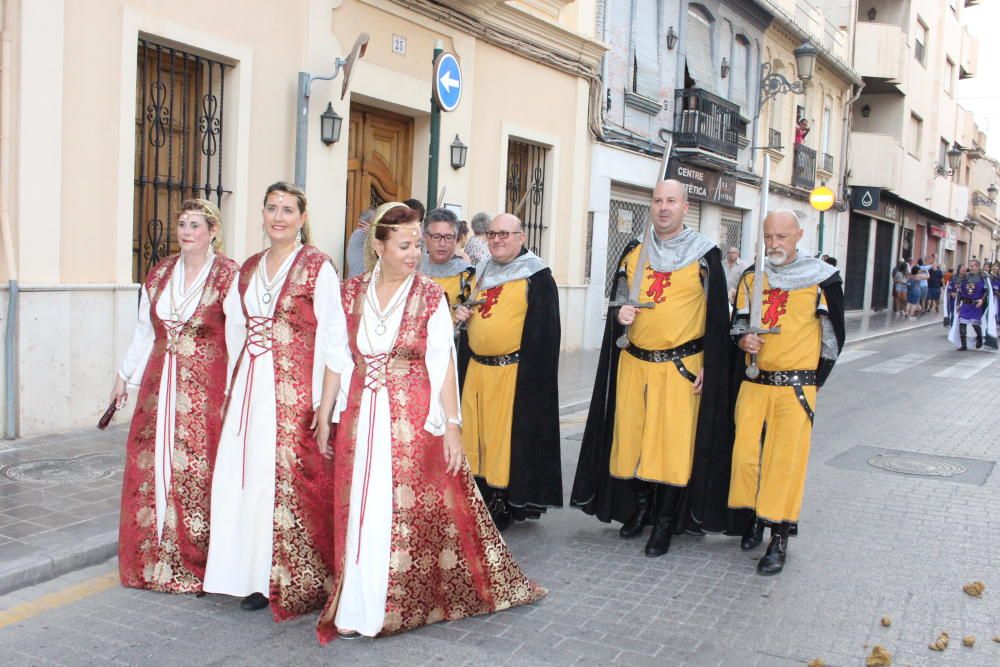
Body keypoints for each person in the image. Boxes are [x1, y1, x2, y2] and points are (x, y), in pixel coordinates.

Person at [314, 203, 544, 642]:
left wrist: (452, 427)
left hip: (410, 420)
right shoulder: (350, 293)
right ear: (378, 246)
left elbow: (442, 364)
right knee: (360, 508)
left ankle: (393, 601)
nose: (413, 253)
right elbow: (336, 358)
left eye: (417, 244)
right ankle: (357, 600)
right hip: (362, 417)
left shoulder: (428, 296)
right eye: (404, 245)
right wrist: (326, 413)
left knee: (391, 508)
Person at [203, 182, 351, 618]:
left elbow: (333, 340)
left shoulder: (317, 267)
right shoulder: (247, 269)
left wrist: (326, 409)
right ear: (262, 214)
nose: (279, 217)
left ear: (302, 219)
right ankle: (242, 574)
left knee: (275, 481)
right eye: (271, 208)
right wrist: (232, 386)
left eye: (288, 210)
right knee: (241, 476)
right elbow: (233, 327)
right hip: (250, 388)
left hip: (291, 393)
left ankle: (280, 576)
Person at [570, 179, 733, 558]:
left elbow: (717, 319)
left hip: (679, 368)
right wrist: (621, 313)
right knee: (630, 441)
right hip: (635, 365)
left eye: (671, 201)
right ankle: (640, 508)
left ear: (685, 206)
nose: (663, 207)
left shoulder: (705, 256)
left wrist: (711, 364)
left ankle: (664, 522)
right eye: (658, 200)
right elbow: (620, 303)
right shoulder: (634, 251)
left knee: (672, 449)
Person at [115, 199, 239, 593]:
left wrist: (236, 388)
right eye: (182, 224)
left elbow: (238, 335)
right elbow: (144, 332)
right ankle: (153, 557)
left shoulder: (228, 277)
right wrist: (123, 377)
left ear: (212, 232)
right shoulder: (159, 274)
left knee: (197, 470)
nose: (186, 232)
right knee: (155, 465)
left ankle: (197, 560)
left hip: (205, 390)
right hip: (159, 384)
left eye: (195, 225)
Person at [729, 209, 845, 575]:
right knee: (746, 458)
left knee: (784, 465)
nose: (775, 244)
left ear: (798, 235)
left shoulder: (821, 279)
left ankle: (778, 538)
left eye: (782, 236)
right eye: (769, 237)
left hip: (795, 388)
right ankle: (754, 517)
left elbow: (832, 339)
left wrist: (812, 382)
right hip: (754, 384)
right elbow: (737, 323)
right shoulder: (753, 277)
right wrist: (743, 339)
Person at [454, 214, 562, 530]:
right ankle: (482, 495)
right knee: (476, 437)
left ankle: (503, 501)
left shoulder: (537, 277)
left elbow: (545, 334)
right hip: (477, 369)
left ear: (521, 237)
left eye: (505, 234)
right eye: (492, 234)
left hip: (512, 373)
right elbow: (470, 310)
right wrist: (460, 313)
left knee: (504, 440)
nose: (498, 239)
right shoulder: (482, 271)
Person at [420, 208, 474, 314]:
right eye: (436, 237)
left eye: (448, 237)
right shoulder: (412, 271)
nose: (442, 244)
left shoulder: (469, 276)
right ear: (425, 237)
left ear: (456, 239)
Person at [946, 259, 997, 350]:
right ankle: (963, 345)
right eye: (970, 266)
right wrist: (958, 304)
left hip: (976, 305)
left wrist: (982, 300)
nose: (970, 268)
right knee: (962, 323)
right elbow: (960, 291)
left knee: (975, 325)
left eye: (972, 266)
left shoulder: (983, 278)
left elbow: (987, 291)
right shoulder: (965, 277)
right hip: (965, 304)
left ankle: (980, 338)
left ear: (977, 266)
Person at [346, 208, 375, 279]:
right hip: (359, 283)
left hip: (359, 281)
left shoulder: (363, 234)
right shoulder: (361, 234)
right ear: (371, 221)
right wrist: (372, 232)